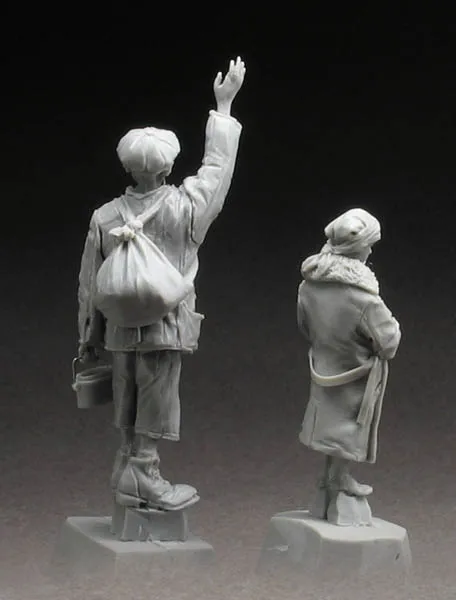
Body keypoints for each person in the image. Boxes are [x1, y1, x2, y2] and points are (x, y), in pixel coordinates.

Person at [77, 57, 246, 511]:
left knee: (126, 390)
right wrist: (223, 108)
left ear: (127, 167)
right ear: (168, 166)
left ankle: (125, 465)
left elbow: (89, 286)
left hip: (119, 328)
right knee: (157, 395)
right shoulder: (185, 208)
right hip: (165, 325)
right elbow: (216, 171)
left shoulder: (105, 217)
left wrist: (88, 338)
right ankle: (145, 473)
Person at [297, 208, 401, 514]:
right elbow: (389, 342)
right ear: (357, 249)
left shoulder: (308, 285)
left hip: (324, 364)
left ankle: (330, 477)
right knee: (346, 430)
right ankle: (339, 479)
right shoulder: (364, 299)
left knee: (329, 426)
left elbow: (305, 326)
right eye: (369, 245)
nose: (371, 251)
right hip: (355, 373)